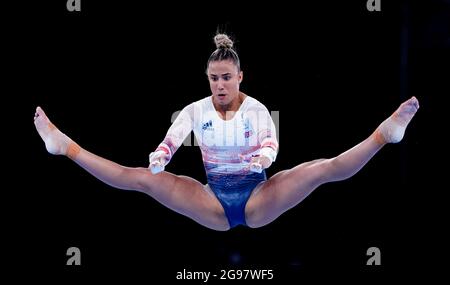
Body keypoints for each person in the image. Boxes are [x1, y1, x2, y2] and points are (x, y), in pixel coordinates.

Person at [34, 33, 419, 231]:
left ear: (240, 77)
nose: (220, 85)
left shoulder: (256, 110)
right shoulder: (194, 110)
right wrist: (160, 156)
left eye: (227, 78)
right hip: (213, 201)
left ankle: (384, 134)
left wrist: (266, 158)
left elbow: (272, 142)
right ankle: (65, 146)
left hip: (258, 197)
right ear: (208, 78)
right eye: (214, 78)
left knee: (320, 169)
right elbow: (173, 137)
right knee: (140, 179)